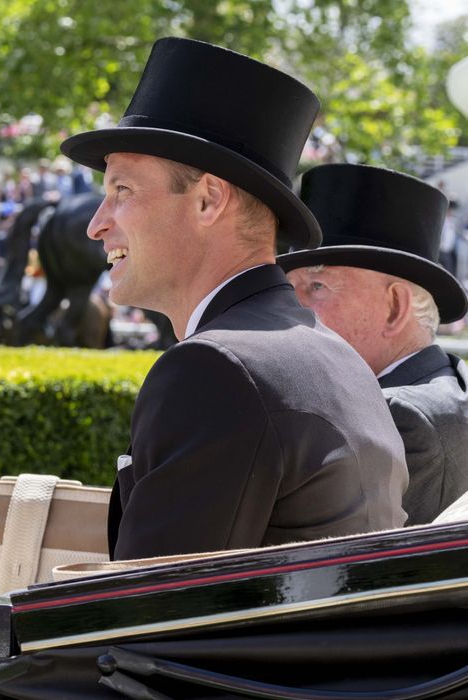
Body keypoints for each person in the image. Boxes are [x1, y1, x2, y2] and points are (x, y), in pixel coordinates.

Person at [60, 38, 407, 560]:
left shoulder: (215, 368)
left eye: (122, 191)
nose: (95, 225)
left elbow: (146, 620)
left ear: (208, 199)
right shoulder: (333, 355)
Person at [281, 165, 468, 525]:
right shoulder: (452, 380)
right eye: (291, 287)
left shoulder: (393, 414)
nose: (292, 305)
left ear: (396, 306)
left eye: (317, 286)